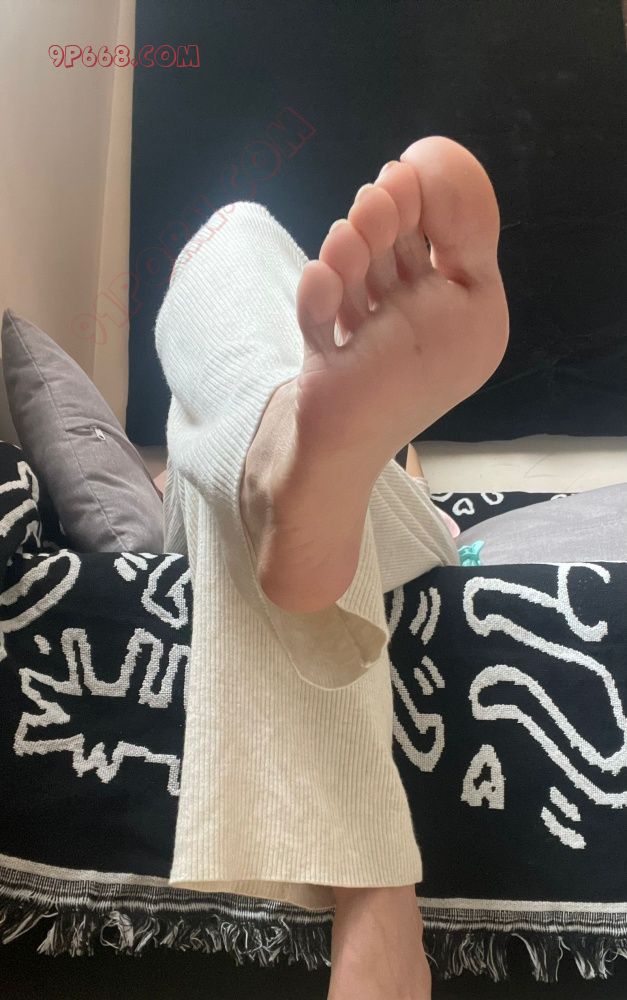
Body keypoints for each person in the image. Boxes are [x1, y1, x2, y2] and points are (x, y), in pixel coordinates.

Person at [154, 135, 509, 1000]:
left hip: (386, 511)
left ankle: (272, 456)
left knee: (229, 233)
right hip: (306, 480)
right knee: (242, 238)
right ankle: (271, 446)